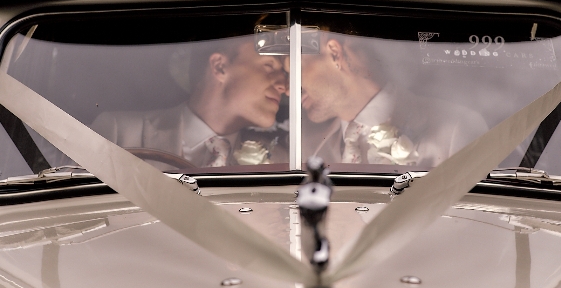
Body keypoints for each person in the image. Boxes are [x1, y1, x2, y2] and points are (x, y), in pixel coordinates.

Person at [297, 29, 488, 169]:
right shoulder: (304, 148)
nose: (289, 88)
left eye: (294, 69)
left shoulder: (457, 128)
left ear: (334, 53)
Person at [92, 35, 289, 169]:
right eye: (269, 65)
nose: (283, 84)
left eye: (284, 74)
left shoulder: (281, 160)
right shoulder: (118, 134)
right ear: (220, 66)